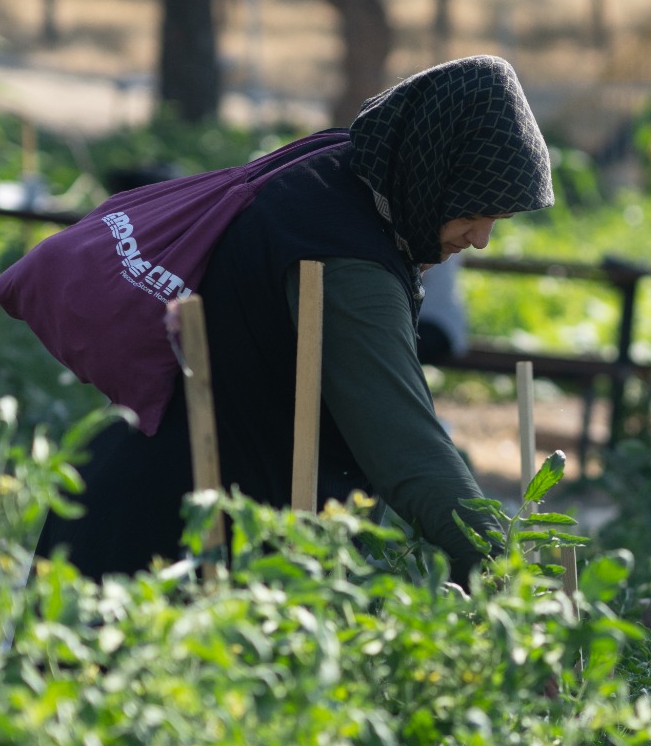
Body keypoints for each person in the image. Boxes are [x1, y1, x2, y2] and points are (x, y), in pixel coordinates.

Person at [35, 55, 554, 588]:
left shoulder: (335, 172)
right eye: (476, 209)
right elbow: (408, 453)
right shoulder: (347, 262)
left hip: (134, 502)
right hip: (163, 546)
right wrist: (509, 581)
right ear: (435, 170)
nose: (481, 237)